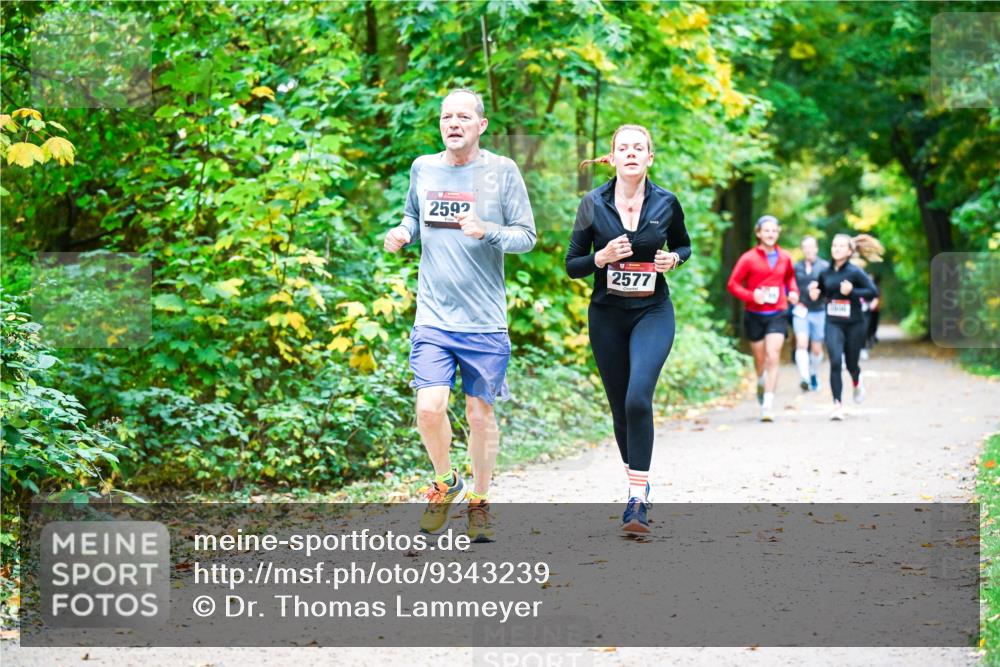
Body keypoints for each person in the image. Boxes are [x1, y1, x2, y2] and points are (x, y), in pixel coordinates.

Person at [383, 88, 536, 541]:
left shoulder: (502, 172)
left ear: (481, 125)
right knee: (430, 407)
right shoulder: (423, 168)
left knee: (479, 413)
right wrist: (402, 232)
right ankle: (447, 481)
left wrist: (487, 230)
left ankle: (481, 501)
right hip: (433, 315)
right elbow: (413, 216)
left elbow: (526, 236)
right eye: (446, 116)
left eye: (463, 116)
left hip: (484, 320)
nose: (453, 123)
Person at [566, 124, 691, 534]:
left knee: (639, 397)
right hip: (606, 316)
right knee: (620, 406)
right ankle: (639, 481)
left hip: (653, 312)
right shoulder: (592, 203)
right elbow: (572, 265)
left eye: (640, 148)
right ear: (614, 157)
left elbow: (684, 245)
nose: (632, 153)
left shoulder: (667, 202)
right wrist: (600, 257)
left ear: (650, 157)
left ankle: (636, 502)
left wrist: (674, 260)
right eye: (624, 148)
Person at [726, 216, 800, 422]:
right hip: (754, 314)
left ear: (778, 233)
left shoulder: (785, 257)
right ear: (758, 233)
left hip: (777, 313)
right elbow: (733, 284)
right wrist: (752, 296)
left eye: (774, 231)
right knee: (760, 359)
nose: (770, 234)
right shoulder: (748, 258)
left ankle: (767, 405)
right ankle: (760, 380)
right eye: (766, 231)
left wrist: (793, 292)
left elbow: (790, 279)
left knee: (773, 355)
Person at [807, 234, 881, 421]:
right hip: (833, 322)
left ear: (849, 251)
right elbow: (823, 291)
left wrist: (853, 292)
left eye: (841, 246)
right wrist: (815, 293)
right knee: (835, 362)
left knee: (851, 364)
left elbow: (872, 292)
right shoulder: (825, 272)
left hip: (854, 323)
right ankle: (837, 405)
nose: (837, 248)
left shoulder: (855, 272)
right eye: (834, 245)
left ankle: (857, 381)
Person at [792, 236, 829, 391]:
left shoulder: (825, 266)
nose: (808, 250)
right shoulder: (796, 267)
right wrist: (792, 296)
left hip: (819, 311)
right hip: (801, 310)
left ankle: (814, 373)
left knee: (816, 349)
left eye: (811, 246)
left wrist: (821, 291)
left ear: (816, 248)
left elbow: (831, 288)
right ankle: (804, 377)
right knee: (801, 343)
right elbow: (789, 286)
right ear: (802, 249)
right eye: (805, 247)